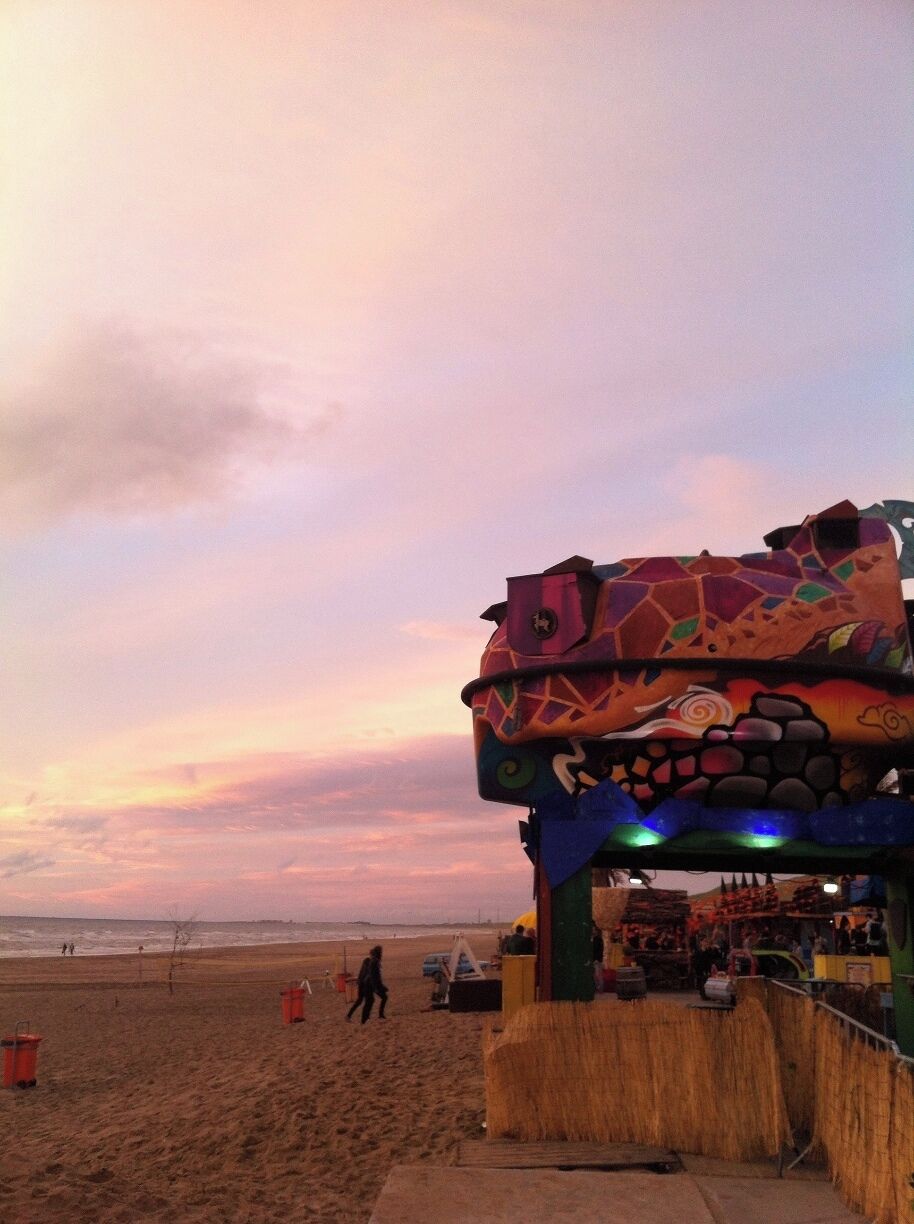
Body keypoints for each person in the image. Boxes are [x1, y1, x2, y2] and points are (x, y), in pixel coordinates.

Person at [361, 945, 388, 1023]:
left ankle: (378, 1015)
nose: (382, 953)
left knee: (374, 1000)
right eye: (381, 951)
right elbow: (373, 976)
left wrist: (381, 986)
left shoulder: (375, 960)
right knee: (371, 1001)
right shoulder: (374, 961)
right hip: (370, 984)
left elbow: (377, 975)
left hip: (372, 984)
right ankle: (366, 1019)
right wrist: (376, 987)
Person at [346, 953, 373, 1022]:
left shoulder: (366, 961)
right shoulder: (370, 964)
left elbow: (362, 974)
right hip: (364, 985)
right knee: (369, 1001)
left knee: (359, 1001)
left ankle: (348, 1016)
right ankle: (366, 1017)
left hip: (361, 984)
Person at [592, 925, 605, 993]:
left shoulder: (599, 939)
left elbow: (600, 950)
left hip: (597, 960)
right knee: (594, 975)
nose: (592, 931)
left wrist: (598, 959)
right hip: (592, 959)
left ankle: (600, 989)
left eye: (593, 930)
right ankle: (595, 988)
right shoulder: (591, 939)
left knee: (598, 975)